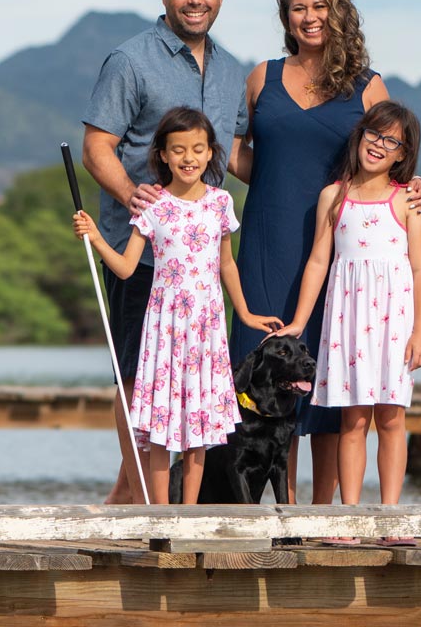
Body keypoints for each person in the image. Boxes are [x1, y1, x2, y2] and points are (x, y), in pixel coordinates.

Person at [230, 0, 421, 505]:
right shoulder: (261, 77)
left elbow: (393, 152)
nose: (310, 17)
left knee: (329, 384)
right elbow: (233, 152)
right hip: (270, 243)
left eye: (320, 6)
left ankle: (322, 516)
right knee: (265, 377)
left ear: (339, 13)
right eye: (299, 8)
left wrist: (416, 187)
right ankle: (274, 513)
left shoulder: (367, 85)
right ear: (286, 18)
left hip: (342, 257)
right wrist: (274, 178)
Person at [82, 0, 251, 504]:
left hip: (201, 271)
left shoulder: (230, 71)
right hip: (147, 253)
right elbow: (96, 147)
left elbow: (239, 157)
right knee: (136, 379)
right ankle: (136, 497)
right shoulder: (131, 61)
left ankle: (128, 498)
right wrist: (137, 197)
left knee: (188, 387)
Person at [74, 107, 281, 504]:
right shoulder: (153, 204)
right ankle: (160, 514)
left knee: (199, 425)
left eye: (197, 149)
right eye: (179, 149)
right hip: (165, 329)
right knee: (160, 425)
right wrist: (96, 237)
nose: (189, 157)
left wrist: (247, 313)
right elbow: (125, 268)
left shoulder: (220, 202)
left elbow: (227, 263)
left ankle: (190, 513)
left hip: (206, 328)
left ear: (209, 153)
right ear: (164, 155)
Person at [277, 101, 421, 544]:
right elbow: (318, 261)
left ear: (402, 153)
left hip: (394, 323)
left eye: (390, 141)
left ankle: (390, 518)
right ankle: (348, 519)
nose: (378, 145)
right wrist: (298, 321)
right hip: (348, 321)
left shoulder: (407, 201)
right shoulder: (334, 196)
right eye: (373, 134)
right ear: (359, 135)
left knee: (391, 420)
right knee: (353, 423)